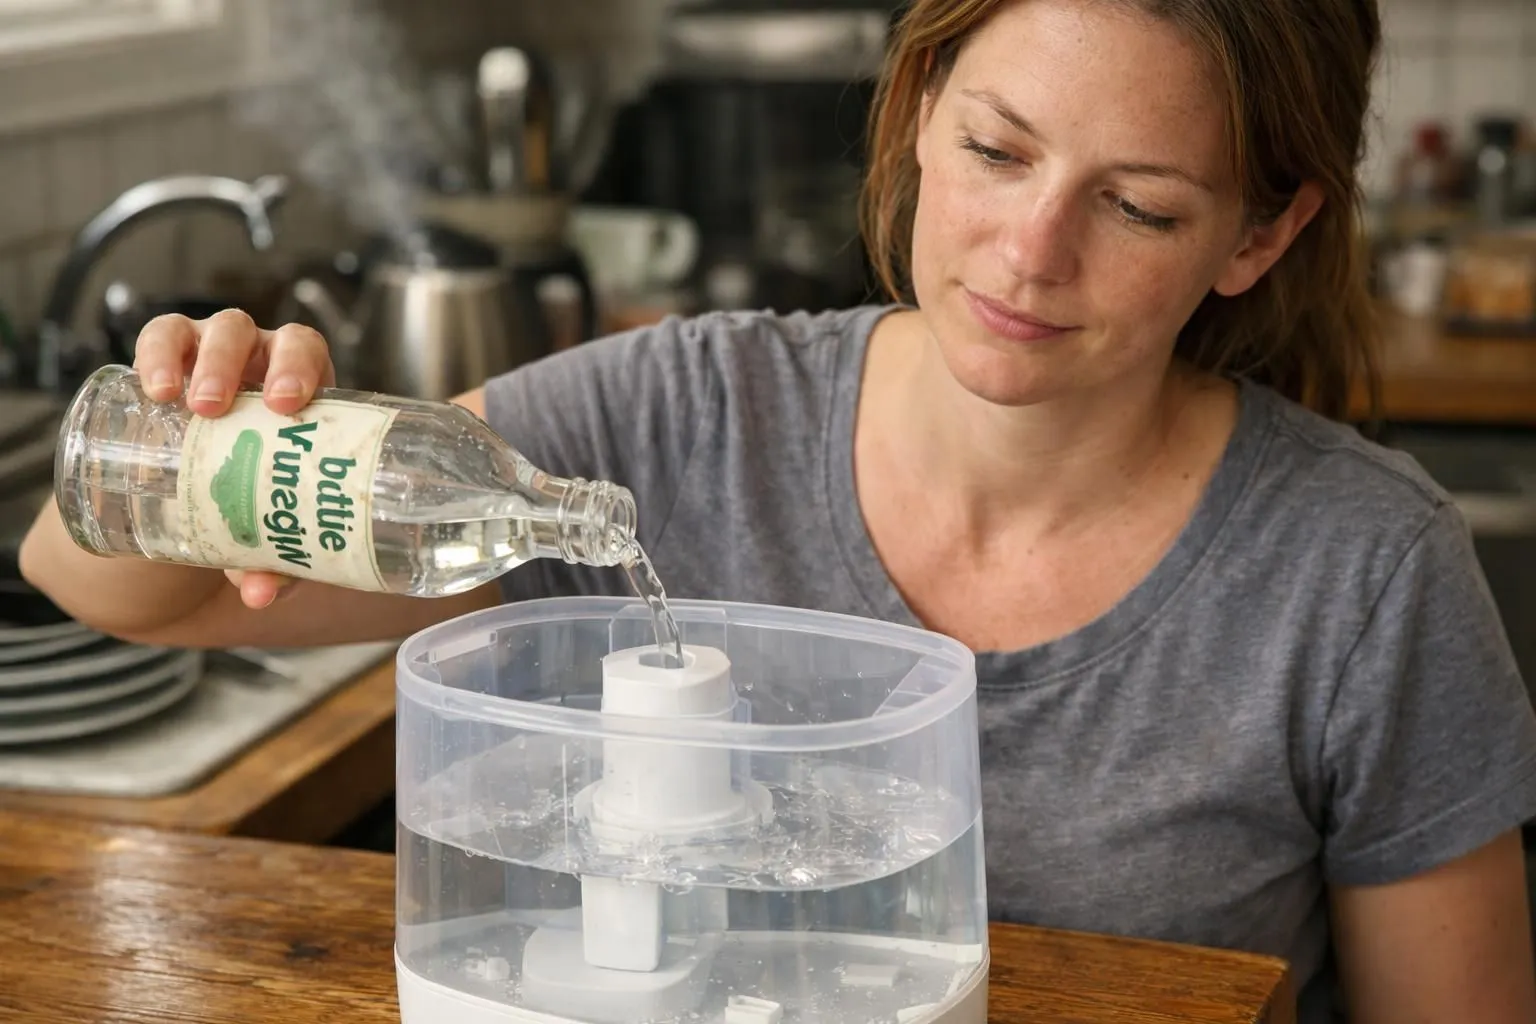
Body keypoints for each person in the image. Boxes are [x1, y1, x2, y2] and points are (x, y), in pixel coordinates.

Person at [20, 0, 1536, 1019]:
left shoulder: (1361, 577)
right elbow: (117, 594)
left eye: (1137, 205)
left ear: (1260, 233)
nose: (1027, 252)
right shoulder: (673, 424)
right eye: (998, 152)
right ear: (922, 111)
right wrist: (177, 448)